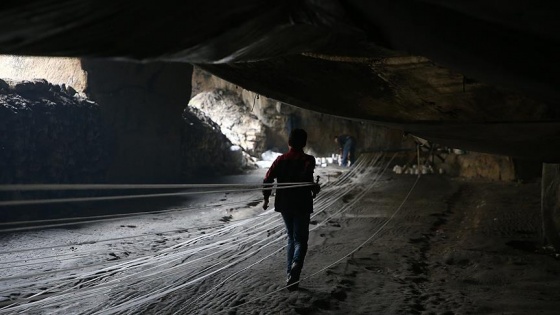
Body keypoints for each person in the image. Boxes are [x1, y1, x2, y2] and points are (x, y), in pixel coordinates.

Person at [262, 128, 320, 291]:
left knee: (291, 238)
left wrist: (266, 198)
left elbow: (268, 178)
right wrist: (315, 187)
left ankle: (290, 274)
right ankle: (295, 265)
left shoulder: (280, 160)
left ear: (289, 142)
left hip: (285, 204)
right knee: (301, 239)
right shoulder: (309, 160)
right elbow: (308, 180)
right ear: (304, 143)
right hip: (302, 203)